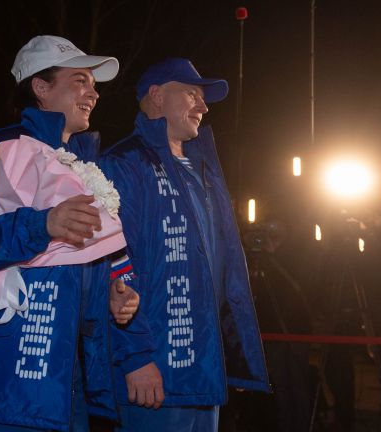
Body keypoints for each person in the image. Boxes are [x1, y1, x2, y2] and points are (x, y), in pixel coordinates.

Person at [0, 35, 140, 431]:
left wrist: (108, 293)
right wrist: (40, 224)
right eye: (80, 80)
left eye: (94, 85)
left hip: (68, 387)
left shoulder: (83, 166)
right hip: (3, 388)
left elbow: (69, 269)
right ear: (41, 87)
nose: (93, 93)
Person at [99, 58, 270, 431]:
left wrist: (228, 357)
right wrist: (135, 357)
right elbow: (112, 265)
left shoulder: (203, 168)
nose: (204, 106)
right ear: (157, 96)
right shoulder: (124, 162)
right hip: (155, 372)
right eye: (192, 94)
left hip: (202, 371)